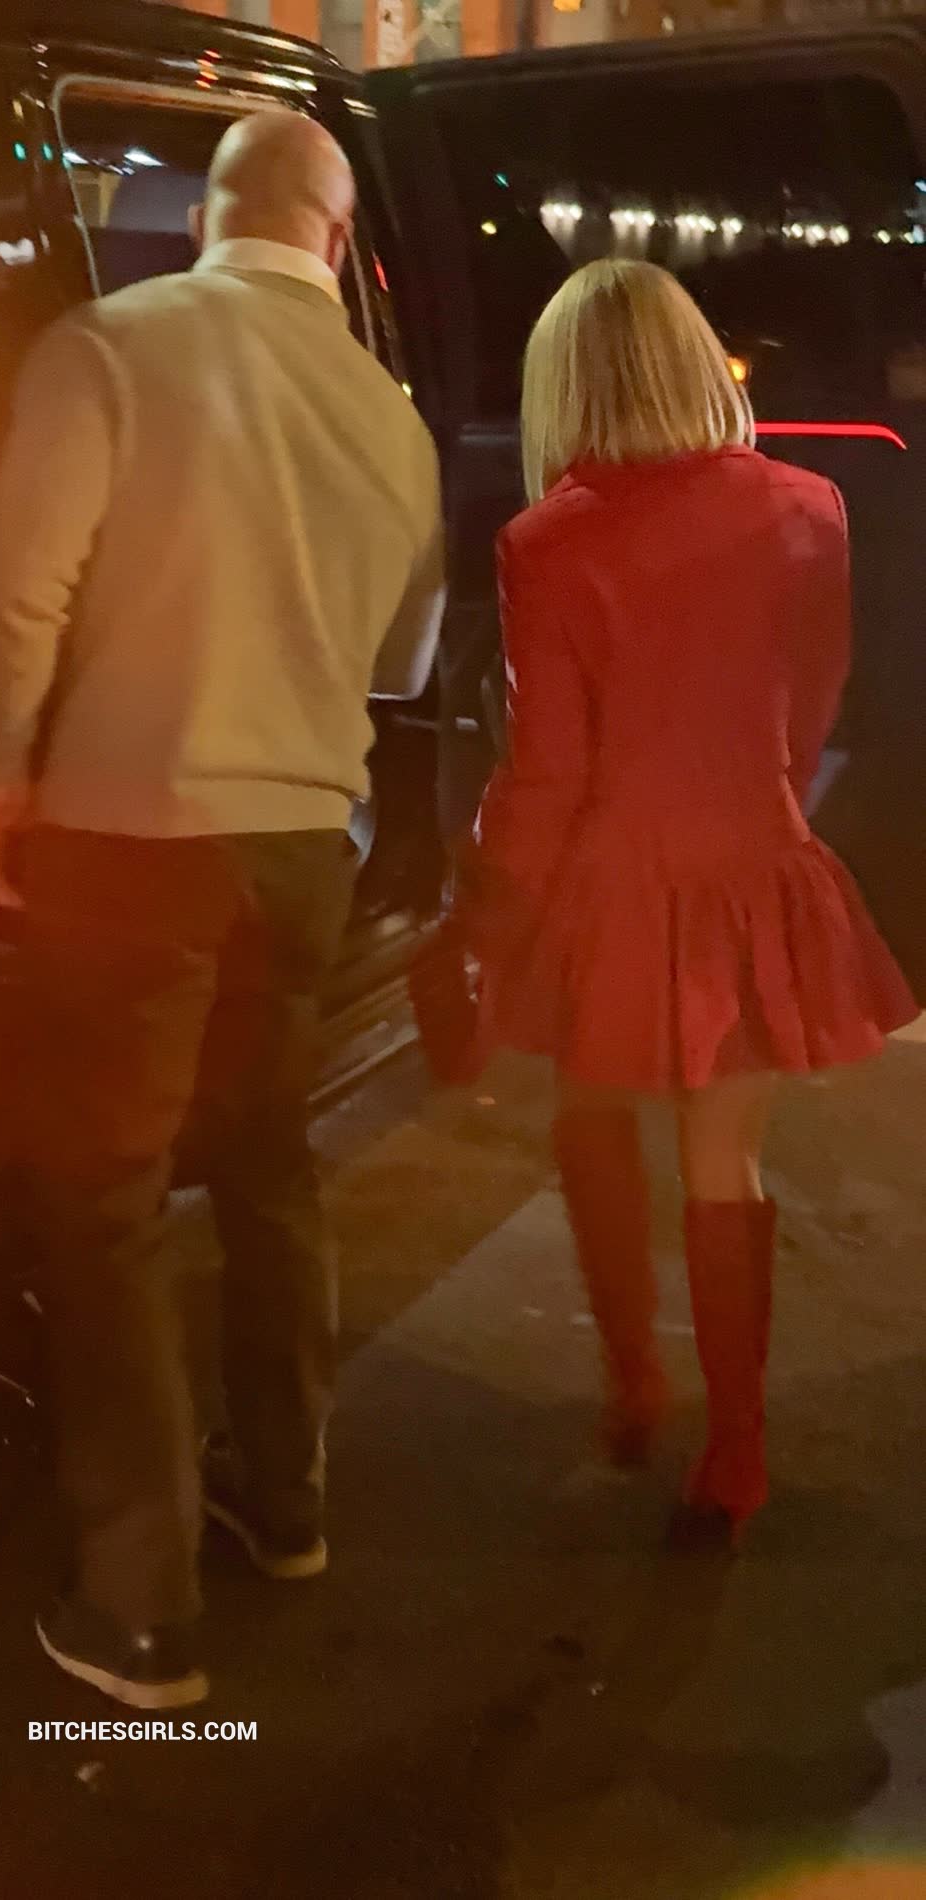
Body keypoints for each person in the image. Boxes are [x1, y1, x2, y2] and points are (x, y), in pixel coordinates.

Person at [0, 110, 444, 1707]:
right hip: (304, 849)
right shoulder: (390, 418)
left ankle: (140, 1609)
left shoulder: (115, 347)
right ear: (336, 236)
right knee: (269, 1170)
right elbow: (407, 658)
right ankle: (285, 1505)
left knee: (105, 1203)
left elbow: (17, 584)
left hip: (135, 838)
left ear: (208, 211)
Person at [456, 258, 916, 1551]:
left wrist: (490, 899)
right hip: (751, 861)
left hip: (611, 880)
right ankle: (739, 1448)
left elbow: (547, 768)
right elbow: (815, 694)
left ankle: (633, 1384)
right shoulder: (810, 507)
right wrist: (765, 804)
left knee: (592, 1116)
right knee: (728, 1162)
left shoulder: (547, 542)